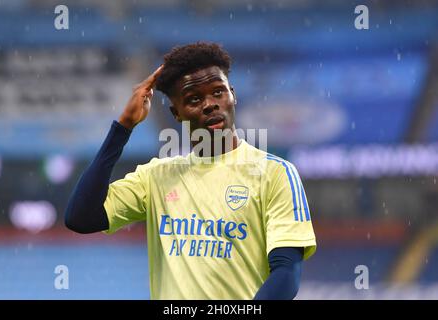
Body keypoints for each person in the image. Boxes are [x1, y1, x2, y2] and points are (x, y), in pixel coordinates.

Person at [65, 42, 316, 300]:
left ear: (233, 94)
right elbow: (81, 218)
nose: (210, 104)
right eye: (194, 99)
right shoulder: (156, 177)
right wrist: (124, 126)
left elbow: (286, 274)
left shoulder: (275, 173)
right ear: (177, 113)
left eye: (218, 92)